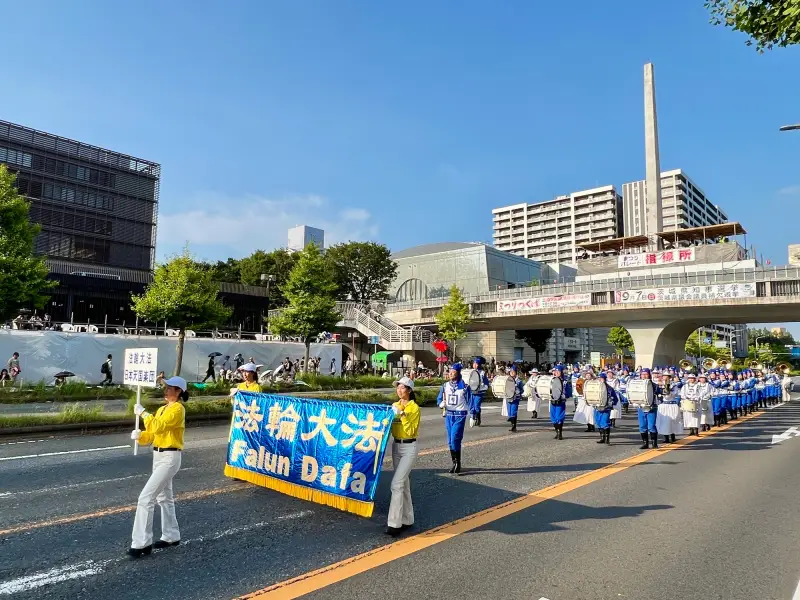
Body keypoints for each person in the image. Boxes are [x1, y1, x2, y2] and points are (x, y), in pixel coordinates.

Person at [129, 376, 188, 558]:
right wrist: (140, 436)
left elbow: (160, 426)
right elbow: (154, 433)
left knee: (145, 498)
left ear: (178, 391)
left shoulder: (178, 409)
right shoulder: (162, 409)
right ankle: (171, 535)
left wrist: (144, 413)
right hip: (158, 454)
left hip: (170, 457)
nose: (166, 390)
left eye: (170, 387)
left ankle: (141, 543)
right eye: (166, 387)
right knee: (164, 498)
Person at [386, 376, 421, 537]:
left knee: (396, 484)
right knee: (403, 484)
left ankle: (394, 524)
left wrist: (403, 415)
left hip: (409, 448)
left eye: (402, 388)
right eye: (398, 387)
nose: (399, 390)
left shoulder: (414, 408)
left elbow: (411, 430)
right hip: (396, 446)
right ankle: (408, 519)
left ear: (409, 390)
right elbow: (387, 424)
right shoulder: (394, 406)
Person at [437, 363, 472, 474]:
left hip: (460, 415)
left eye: (453, 371)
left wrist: (473, 414)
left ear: (458, 373)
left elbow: (470, 401)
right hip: (449, 415)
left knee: (455, 438)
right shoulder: (445, 386)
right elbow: (439, 399)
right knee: (450, 441)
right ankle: (455, 462)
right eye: (449, 371)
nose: (450, 373)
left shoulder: (465, 387)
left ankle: (458, 463)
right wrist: (441, 403)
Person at [636, 368, 659, 449]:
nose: (644, 376)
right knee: (642, 426)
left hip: (651, 408)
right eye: (643, 374)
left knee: (651, 426)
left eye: (646, 374)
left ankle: (654, 443)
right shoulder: (637, 385)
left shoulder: (654, 385)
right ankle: (645, 443)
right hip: (641, 407)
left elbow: (660, 394)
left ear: (649, 375)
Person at [656, 373, 683, 444]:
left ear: (669, 377)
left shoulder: (674, 385)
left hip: (671, 405)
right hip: (663, 405)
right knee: (664, 421)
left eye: (666, 376)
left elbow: (675, 394)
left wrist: (669, 391)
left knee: (672, 421)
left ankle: (673, 436)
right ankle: (666, 438)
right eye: (664, 376)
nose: (665, 378)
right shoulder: (659, 385)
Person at [593, 373, 617, 445]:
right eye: (599, 378)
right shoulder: (595, 387)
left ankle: (607, 439)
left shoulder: (609, 388)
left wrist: (611, 403)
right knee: (598, 423)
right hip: (597, 407)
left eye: (601, 378)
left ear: (604, 379)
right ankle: (602, 438)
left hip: (606, 408)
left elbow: (615, 399)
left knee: (605, 423)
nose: (600, 380)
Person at [502, 365, 524, 432]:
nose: (511, 373)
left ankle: (514, 426)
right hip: (508, 397)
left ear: (516, 372)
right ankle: (512, 425)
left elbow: (522, 390)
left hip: (515, 398)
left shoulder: (519, 381)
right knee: (510, 412)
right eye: (510, 372)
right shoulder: (507, 380)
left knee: (513, 412)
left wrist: (518, 391)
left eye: (513, 372)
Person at [469, 357, 490, 427]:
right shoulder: (471, 372)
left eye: (476, 364)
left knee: (477, 406)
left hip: (479, 392)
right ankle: (474, 417)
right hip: (472, 391)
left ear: (479, 365)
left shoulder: (482, 373)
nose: (474, 365)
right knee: (472, 405)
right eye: (474, 363)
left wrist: (486, 387)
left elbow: (486, 382)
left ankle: (478, 419)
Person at [549, 365, 568, 440]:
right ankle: (557, 432)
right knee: (553, 417)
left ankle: (560, 433)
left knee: (559, 417)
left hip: (560, 401)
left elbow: (568, 392)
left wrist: (564, 395)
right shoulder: (551, 380)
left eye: (558, 371)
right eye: (555, 371)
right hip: (553, 400)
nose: (556, 373)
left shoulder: (565, 381)